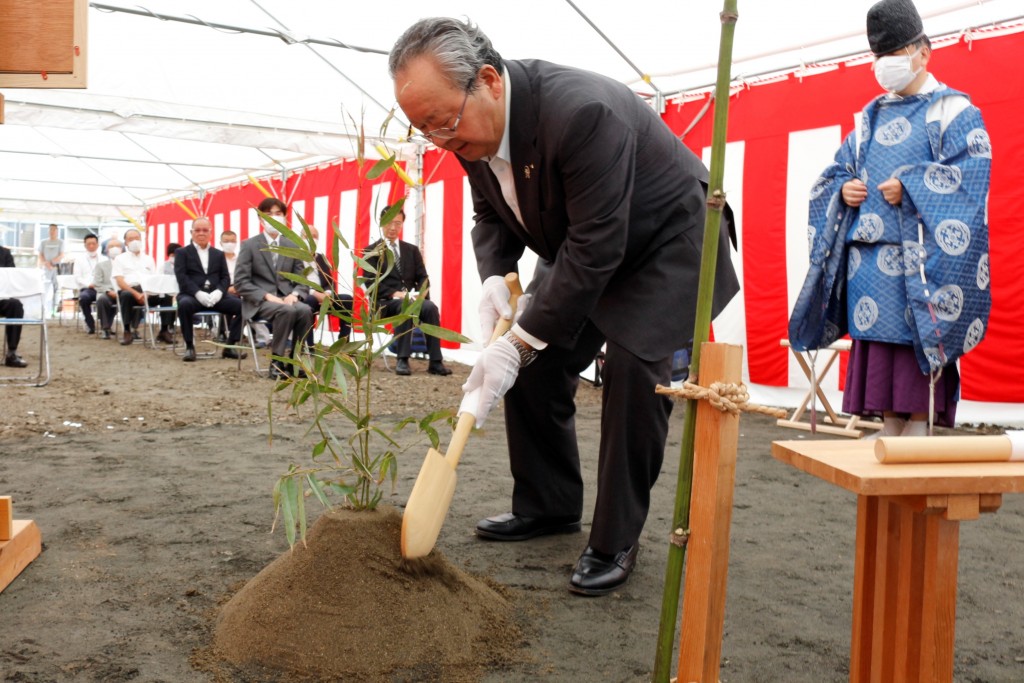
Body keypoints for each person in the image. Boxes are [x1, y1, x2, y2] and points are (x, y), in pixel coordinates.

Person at [389, 18, 739, 595]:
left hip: (669, 242)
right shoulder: (465, 130)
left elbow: (599, 248)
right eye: (424, 130)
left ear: (488, 81)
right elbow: (489, 214)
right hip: (586, 242)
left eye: (443, 123)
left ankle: (615, 538)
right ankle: (548, 504)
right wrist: (498, 279)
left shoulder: (581, 112)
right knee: (530, 366)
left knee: (632, 370)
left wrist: (521, 338)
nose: (440, 140)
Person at [792, 0, 991, 439]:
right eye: (879, 56)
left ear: (923, 51)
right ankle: (889, 420)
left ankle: (919, 421)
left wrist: (915, 187)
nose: (885, 64)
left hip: (919, 259)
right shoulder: (868, 118)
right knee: (879, 344)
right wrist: (844, 189)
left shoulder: (954, 111)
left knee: (915, 335)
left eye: (895, 52)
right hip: (869, 259)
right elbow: (836, 172)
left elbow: (971, 176)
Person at [363, 206, 451, 376]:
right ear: (382, 223)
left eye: (398, 223)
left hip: (412, 300)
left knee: (430, 307)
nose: (393, 227)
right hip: (385, 303)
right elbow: (370, 283)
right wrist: (397, 294)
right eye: (389, 222)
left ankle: (435, 361)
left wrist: (421, 293)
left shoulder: (411, 250)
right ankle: (402, 359)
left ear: (402, 224)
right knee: (405, 307)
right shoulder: (371, 251)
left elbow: (423, 277)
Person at [233, 197, 314, 380]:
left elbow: (302, 279)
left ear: (285, 217)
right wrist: (267, 296)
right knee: (286, 311)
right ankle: (277, 361)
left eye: (278, 214)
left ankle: (295, 360)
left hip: (287, 299)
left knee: (305, 309)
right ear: (261, 219)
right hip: (260, 302)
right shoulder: (250, 245)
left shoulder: (292, 245)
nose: (274, 218)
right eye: (269, 214)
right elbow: (240, 281)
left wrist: (295, 294)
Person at [173, 217, 247, 362]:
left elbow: (225, 277)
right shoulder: (182, 252)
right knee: (184, 305)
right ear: (191, 232)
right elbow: (181, 277)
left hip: (215, 295)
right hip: (192, 295)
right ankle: (189, 347)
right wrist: (197, 293)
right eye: (198, 230)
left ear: (211, 233)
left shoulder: (218, 254)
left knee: (242, 307)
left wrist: (219, 291)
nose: (201, 233)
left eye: (205, 230)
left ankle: (230, 346)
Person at [111, 228, 175, 346]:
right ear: (125, 242)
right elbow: (120, 281)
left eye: (137, 238)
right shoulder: (120, 259)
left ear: (141, 240)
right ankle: (127, 331)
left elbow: (153, 279)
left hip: (147, 290)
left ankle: (164, 330)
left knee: (166, 295)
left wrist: (147, 292)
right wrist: (136, 294)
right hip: (129, 290)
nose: (134, 241)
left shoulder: (148, 258)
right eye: (131, 239)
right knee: (125, 295)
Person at [300, 225, 352, 346]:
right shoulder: (295, 258)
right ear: (301, 238)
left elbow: (329, 282)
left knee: (347, 299)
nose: (312, 239)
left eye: (315, 236)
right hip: (306, 295)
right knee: (311, 300)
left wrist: (328, 294)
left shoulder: (321, 258)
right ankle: (308, 344)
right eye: (308, 236)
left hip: (325, 297)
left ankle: (343, 344)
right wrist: (315, 293)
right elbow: (295, 283)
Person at [0, 245, 29, 367]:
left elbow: (12, 278)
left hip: (1, 297)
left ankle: (11, 353)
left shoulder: (5, 253)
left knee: (16, 305)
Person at [72, 233, 104, 334]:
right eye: (89, 244)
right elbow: (77, 277)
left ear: (97, 245)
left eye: (93, 243)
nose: (91, 246)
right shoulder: (79, 260)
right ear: (85, 245)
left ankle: (106, 325)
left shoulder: (104, 259)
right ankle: (90, 324)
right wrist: (89, 284)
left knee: (110, 299)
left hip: (102, 288)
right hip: (88, 288)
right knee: (84, 298)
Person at [92, 237, 122, 339]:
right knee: (102, 299)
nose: (115, 249)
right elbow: (97, 283)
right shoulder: (101, 266)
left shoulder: (128, 265)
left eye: (117, 246)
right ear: (106, 250)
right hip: (107, 292)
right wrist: (109, 291)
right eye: (111, 247)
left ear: (122, 249)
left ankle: (133, 329)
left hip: (125, 291)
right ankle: (105, 328)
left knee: (136, 297)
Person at [37, 223, 64, 318]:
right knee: (44, 289)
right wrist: (45, 263)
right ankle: (43, 310)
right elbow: (40, 254)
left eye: (53, 229)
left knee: (56, 289)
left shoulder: (61, 242)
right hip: (45, 269)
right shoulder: (43, 242)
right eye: (50, 229)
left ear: (57, 231)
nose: (51, 231)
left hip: (56, 268)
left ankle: (54, 310)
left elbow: (62, 254)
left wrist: (52, 262)